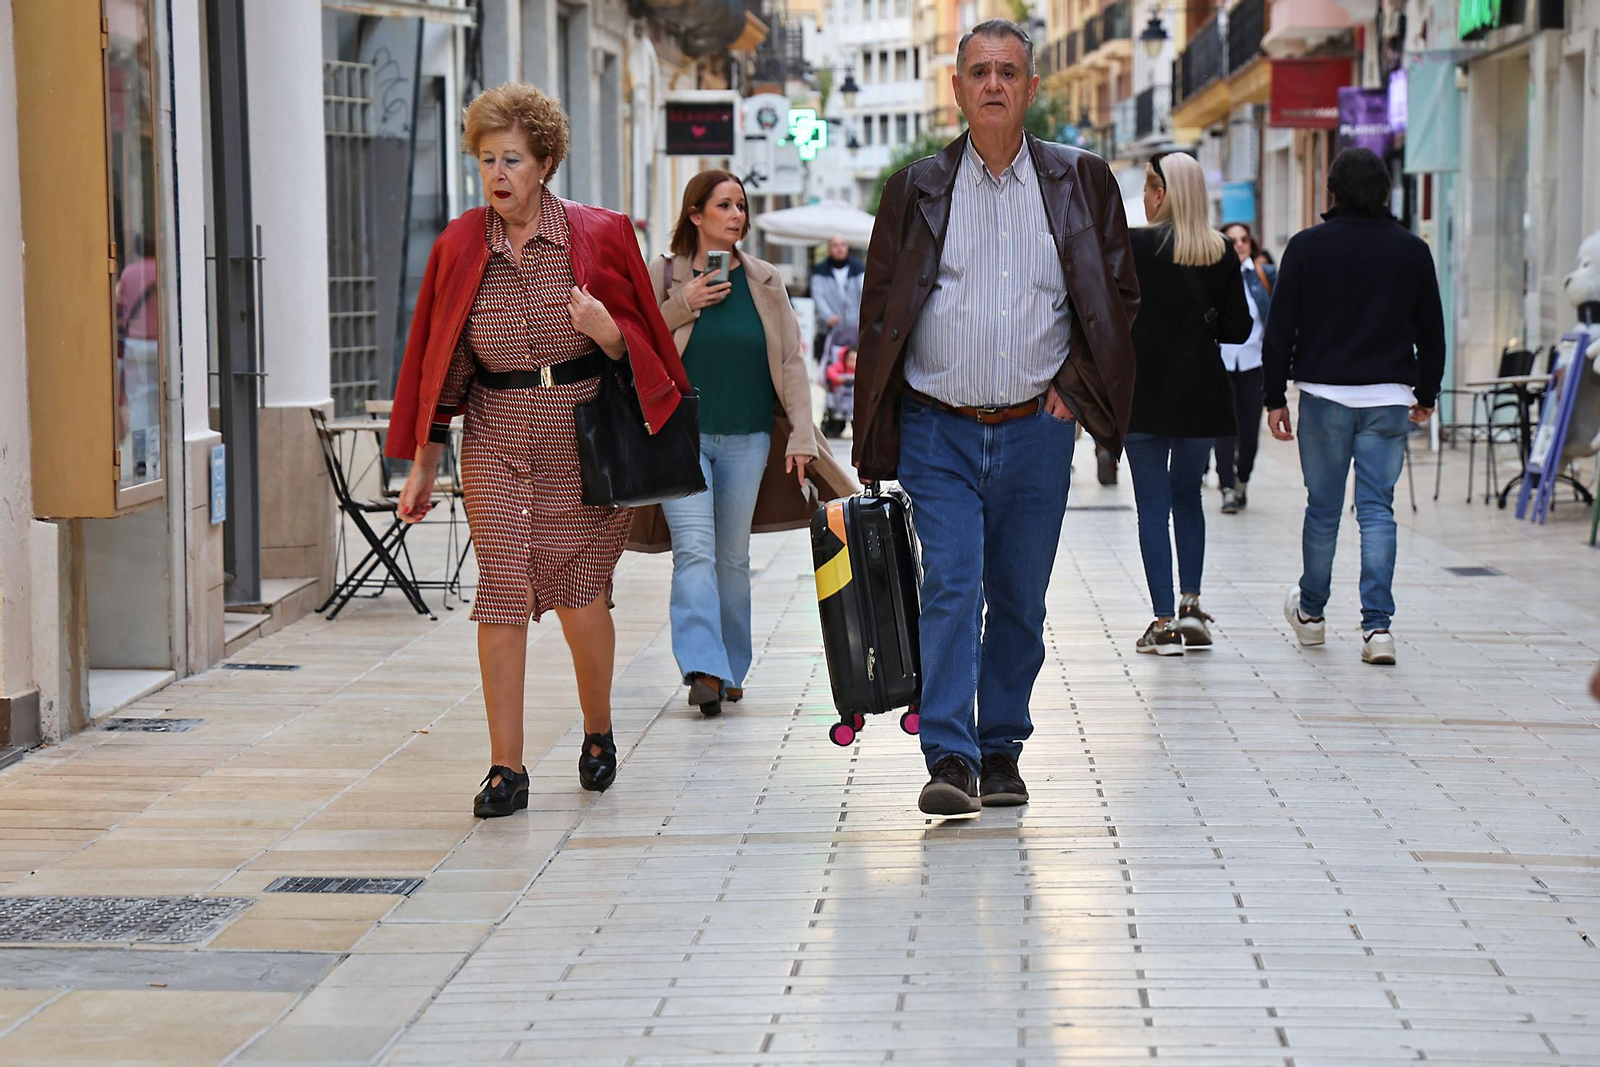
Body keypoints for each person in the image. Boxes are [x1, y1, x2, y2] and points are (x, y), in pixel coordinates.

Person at [854, 19, 1139, 815]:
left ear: (1031, 88)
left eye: (1007, 71)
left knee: (1018, 596)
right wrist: (875, 425)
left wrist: (1077, 386)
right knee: (953, 581)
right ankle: (949, 752)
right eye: (977, 70)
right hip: (935, 424)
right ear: (956, 87)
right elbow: (881, 311)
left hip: (1036, 429)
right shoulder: (914, 189)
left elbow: (1116, 298)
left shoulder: (1081, 182)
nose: (991, 84)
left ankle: (1001, 745)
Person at [387, 84, 691, 814]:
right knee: (501, 592)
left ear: (546, 161)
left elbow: (644, 345)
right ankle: (507, 768)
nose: (498, 173)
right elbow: (440, 362)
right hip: (494, 438)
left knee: (582, 599)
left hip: (584, 445)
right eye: (487, 158)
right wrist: (424, 466)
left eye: (512, 159)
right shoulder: (460, 245)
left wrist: (604, 330)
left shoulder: (602, 232)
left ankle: (596, 730)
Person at [637, 171, 857, 716]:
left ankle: (730, 668)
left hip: (749, 437)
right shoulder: (663, 274)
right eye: (724, 205)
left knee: (732, 558)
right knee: (693, 550)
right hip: (678, 438)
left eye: (741, 206)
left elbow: (787, 362)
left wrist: (802, 436)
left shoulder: (764, 280)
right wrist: (683, 302)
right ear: (695, 214)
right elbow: (638, 346)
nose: (736, 216)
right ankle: (703, 667)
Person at [1264, 147, 1444, 666]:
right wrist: (1426, 393)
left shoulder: (1305, 248)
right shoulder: (1412, 251)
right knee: (1376, 511)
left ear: (1332, 192)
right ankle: (1378, 629)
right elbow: (1432, 331)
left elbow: (1280, 331)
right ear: (1386, 193)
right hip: (1388, 398)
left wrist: (1275, 396)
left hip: (1322, 396)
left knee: (1322, 509)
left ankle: (1313, 615)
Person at [1125, 153, 1251, 657]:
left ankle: (1161, 622)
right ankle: (1191, 606)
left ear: (1160, 193)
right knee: (1188, 499)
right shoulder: (1219, 251)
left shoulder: (1132, 246)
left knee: (1152, 508)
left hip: (1142, 397)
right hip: (1200, 396)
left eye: (1148, 188)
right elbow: (1239, 328)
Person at [1214, 221, 1276, 514]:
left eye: (1243, 240)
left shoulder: (1265, 276)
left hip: (1254, 364)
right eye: (1231, 239)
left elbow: (1275, 321)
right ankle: (1226, 486)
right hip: (1222, 364)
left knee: (1249, 431)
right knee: (1225, 428)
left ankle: (1242, 480)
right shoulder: (1213, 275)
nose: (1238, 244)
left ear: (1251, 244)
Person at [810, 235, 864, 363]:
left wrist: (863, 316)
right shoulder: (820, 270)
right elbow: (818, 296)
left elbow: (865, 292)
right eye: (835, 245)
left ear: (847, 247)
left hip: (854, 328)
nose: (839, 249)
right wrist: (828, 316)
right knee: (830, 364)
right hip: (830, 329)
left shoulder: (858, 268)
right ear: (829, 248)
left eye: (842, 245)